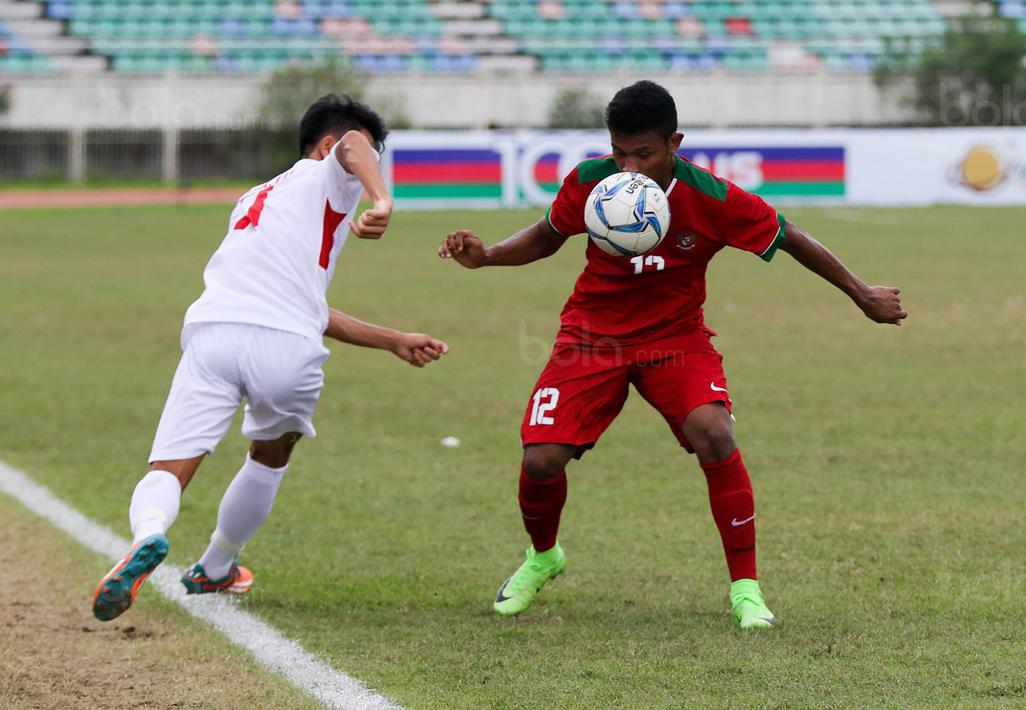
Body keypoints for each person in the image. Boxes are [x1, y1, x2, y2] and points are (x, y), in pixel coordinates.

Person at [437, 80, 906, 629]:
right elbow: (546, 236)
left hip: (675, 339)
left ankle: (747, 590)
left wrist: (862, 293)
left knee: (715, 432)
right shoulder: (592, 182)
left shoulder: (712, 197)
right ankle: (543, 557)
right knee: (540, 461)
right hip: (592, 335)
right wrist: (487, 255)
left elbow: (790, 235)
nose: (630, 168)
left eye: (644, 153)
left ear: (674, 143)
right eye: (620, 153)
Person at [92, 94, 448, 622]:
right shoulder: (332, 169)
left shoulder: (254, 197)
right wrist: (382, 199)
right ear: (325, 147)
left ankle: (147, 536)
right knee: (270, 455)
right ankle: (216, 566)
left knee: (169, 465)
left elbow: (302, 303)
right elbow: (352, 145)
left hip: (214, 332)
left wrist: (391, 338)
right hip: (285, 347)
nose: (365, 164)